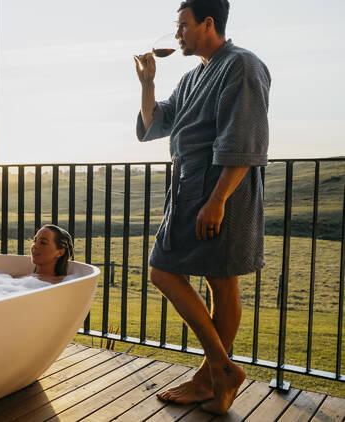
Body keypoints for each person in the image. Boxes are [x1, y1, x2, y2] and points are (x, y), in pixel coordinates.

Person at [133, 0, 270, 415]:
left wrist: (217, 201)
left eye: (184, 25)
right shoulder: (195, 77)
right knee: (170, 271)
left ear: (208, 23)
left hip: (220, 188)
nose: (178, 35)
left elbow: (245, 140)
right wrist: (147, 84)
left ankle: (214, 375)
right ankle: (218, 373)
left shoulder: (242, 66)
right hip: (190, 186)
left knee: (218, 280)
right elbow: (158, 123)